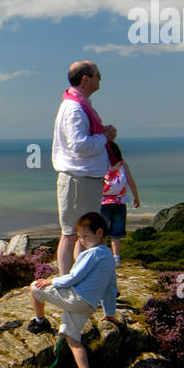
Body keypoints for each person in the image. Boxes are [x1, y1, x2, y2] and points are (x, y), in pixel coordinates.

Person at [26, 212, 119, 368]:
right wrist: (110, 313)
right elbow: (110, 288)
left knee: (34, 287)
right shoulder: (108, 257)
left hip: (75, 298)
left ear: (99, 233)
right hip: (88, 305)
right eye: (80, 237)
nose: (82, 240)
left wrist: (50, 281)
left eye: (85, 236)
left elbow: (74, 277)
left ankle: (40, 321)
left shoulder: (91, 253)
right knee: (72, 337)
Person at [52, 61, 116, 274]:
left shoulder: (78, 104)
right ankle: (65, 281)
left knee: (81, 233)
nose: (100, 79)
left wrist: (100, 135)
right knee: (71, 233)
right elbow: (79, 145)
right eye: (98, 75)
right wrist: (103, 137)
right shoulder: (74, 108)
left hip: (83, 179)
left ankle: (79, 278)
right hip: (78, 179)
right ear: (85, 79)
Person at [101, 141, 140, 268]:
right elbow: (131, 182)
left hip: (103, 202)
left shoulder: (101, 164)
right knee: (116, 233)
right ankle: (116, 258)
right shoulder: (123, 165)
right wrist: (136, 197)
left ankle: (102, 257)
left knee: (101, 231)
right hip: (120, 202)